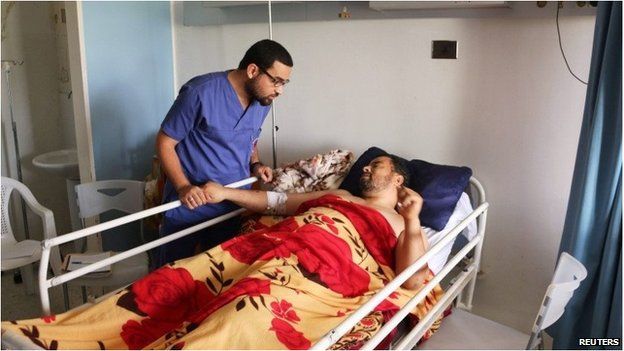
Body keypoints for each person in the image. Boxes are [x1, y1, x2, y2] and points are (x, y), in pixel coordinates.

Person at [155, 39, 293, 266]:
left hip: (231, 205)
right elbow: (164, 142)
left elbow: (250, 139)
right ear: (252, 70)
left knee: (216, 277)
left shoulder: (263, 102)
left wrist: (256, 165)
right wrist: (183, 186)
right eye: (276, 81)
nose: (280, 90)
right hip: (191, 204)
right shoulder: (200, 92)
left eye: (284, 83)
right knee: (171, 276)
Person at [203, 154, 430, 289]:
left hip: (321, 274)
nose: (365, 167)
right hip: (279, 250)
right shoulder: (341, 196)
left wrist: (412, 220)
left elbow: (413, 282)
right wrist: (225, 193)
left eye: (376, 165)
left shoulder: (405, 223)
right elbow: (278, 202)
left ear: (397, 179)